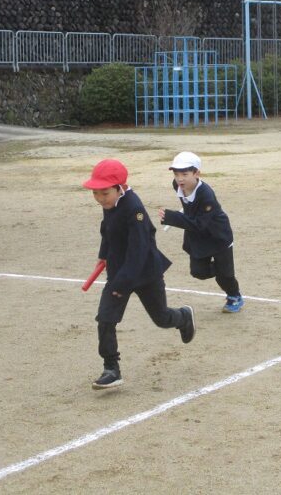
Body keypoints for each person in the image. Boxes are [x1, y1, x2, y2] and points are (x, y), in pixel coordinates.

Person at [83, 159, 195, 390]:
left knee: (161, 318)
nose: (100, 199)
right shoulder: (110, 205)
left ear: (120, 188)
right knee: (105, 319)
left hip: (145, 273)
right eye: (96, 193)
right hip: (118, 271)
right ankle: (111, 369)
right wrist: (104, 255)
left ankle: (183, 317)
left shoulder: (134, 209)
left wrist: (121, 284)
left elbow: (139, 252)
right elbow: (107, 231)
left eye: (104, 193)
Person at [158, 152, 244, 313]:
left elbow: (199, 224)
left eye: (185, 174)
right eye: (177, 174)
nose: (180, 179)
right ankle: (224, 271)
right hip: (197, 236)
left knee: (225, 276)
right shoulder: (177, 185)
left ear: (196, 173)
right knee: (198, 272)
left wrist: (172, 217)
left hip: (218, 236)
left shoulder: (206, 195)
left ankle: (234, 296)